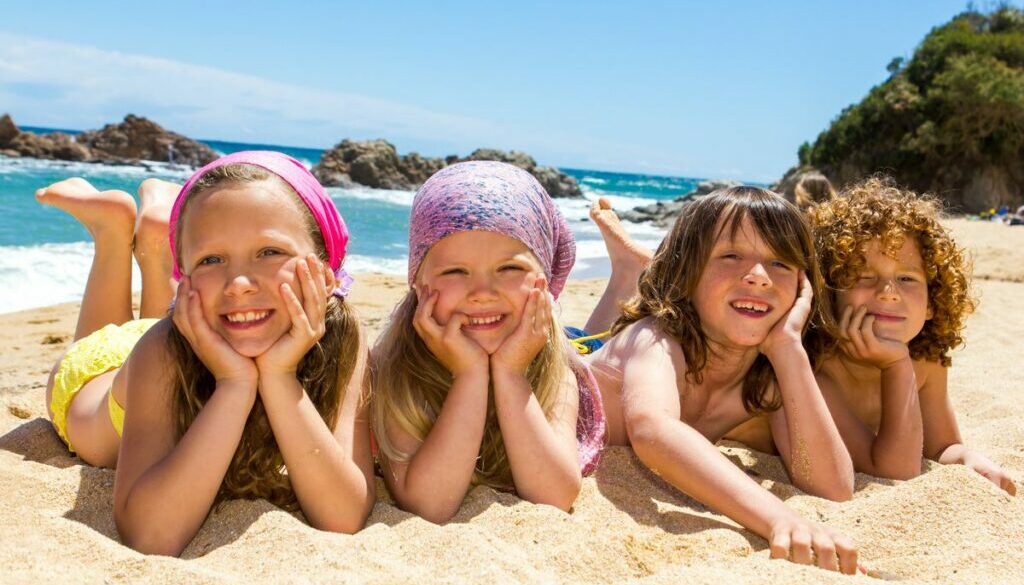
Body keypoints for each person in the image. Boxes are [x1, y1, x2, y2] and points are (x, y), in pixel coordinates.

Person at [35, 151, 375, 555]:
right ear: (186, 279)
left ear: (326, 271)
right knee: (129, 338)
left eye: (269, 252)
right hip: (100, 381)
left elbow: (343, 516)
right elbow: (150, 536)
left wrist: (279, 376)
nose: (239, 283)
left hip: (199, 326)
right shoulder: (161, 351)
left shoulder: (344, 339)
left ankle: (154, 238)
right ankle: (111, 232)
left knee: (200, 312)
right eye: (211, 259)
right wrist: (234, 383)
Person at [586, 186, 861, 574]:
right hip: (578, 359)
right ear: (687, 272)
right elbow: (653, 430)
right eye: (731, 256)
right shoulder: (656, 337)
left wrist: (788, 349)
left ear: (804, 287)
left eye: (781, 263)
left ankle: (632, 271)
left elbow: (833, 487)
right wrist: (778, 518)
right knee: (583, 343)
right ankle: (629, 273)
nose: (759, 277)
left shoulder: (766, 377)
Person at [371, 161, 605, 523]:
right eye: (455, 271)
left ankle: (624, 278)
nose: (482, 292)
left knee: (603, 347)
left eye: (509, 268)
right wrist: (470, 374)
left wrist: (511, 373)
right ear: (417, 284)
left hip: (565, 341)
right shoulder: (395, 366)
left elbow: (554, 496)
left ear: (544, 278)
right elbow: (429, 505)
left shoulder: (557, 370)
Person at [803, 178, 1015, 495]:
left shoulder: (927, 362)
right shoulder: (819, 369)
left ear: (932, 302)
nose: (888, 292)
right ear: (830, 292)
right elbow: (894, 472)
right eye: (864, 276)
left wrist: (968, 459)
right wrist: (896, 365)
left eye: (907, 278)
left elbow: (941, 446)